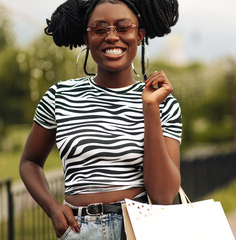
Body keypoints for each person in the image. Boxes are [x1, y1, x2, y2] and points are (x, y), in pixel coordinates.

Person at [19, 0, 182, 239]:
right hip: (79, 230)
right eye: (99, 29)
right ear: (87, 39)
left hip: (139, 229)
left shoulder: (163, 103)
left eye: (123, 27)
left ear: (139, 35)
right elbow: (29, 162)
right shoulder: (59, 97)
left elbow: (163, 196)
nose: (112, 36)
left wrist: (149, 107)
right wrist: (52, 208)